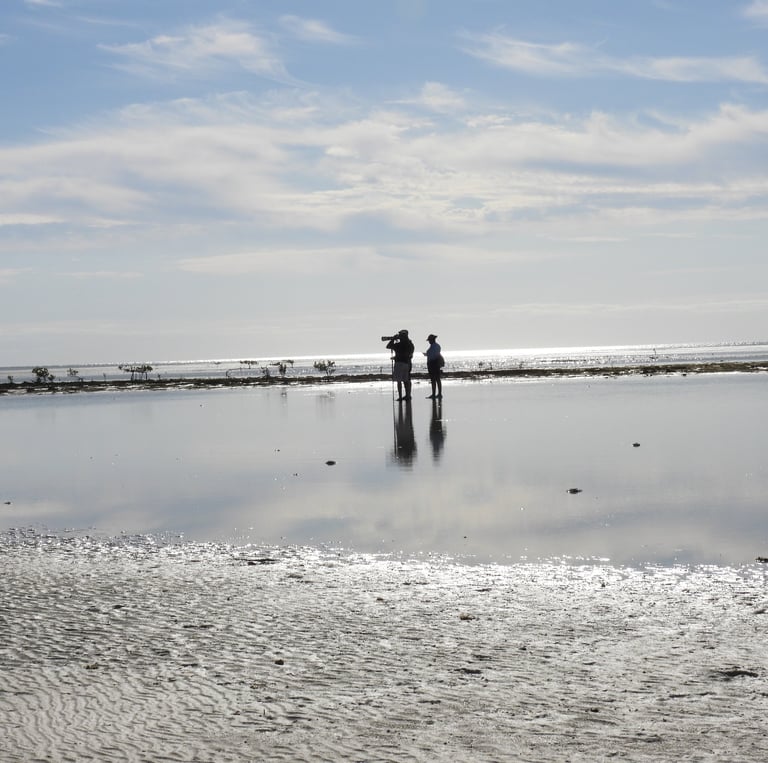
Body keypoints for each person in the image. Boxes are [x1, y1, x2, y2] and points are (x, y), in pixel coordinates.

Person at [386, 329, 414, 401]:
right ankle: (408, 395)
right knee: (406, 380)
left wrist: (393, 339)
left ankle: (401, 396)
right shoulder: (410, 344)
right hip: (407, 363)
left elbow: (388, 346)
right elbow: (410, 353)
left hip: (399, 363)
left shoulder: (398, 345)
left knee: (399, 381)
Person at [424, 333, 443, 399]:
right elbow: (436, 354)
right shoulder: (437, 346)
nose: (429, 341)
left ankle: (434, 394)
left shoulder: (433, 347)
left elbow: (432, 355)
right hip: (436, 364)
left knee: (433, 380)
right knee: (437, 379)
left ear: (432, 340)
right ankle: (439, 393)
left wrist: (426, 354)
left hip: (432, 364)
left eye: (429, 340)